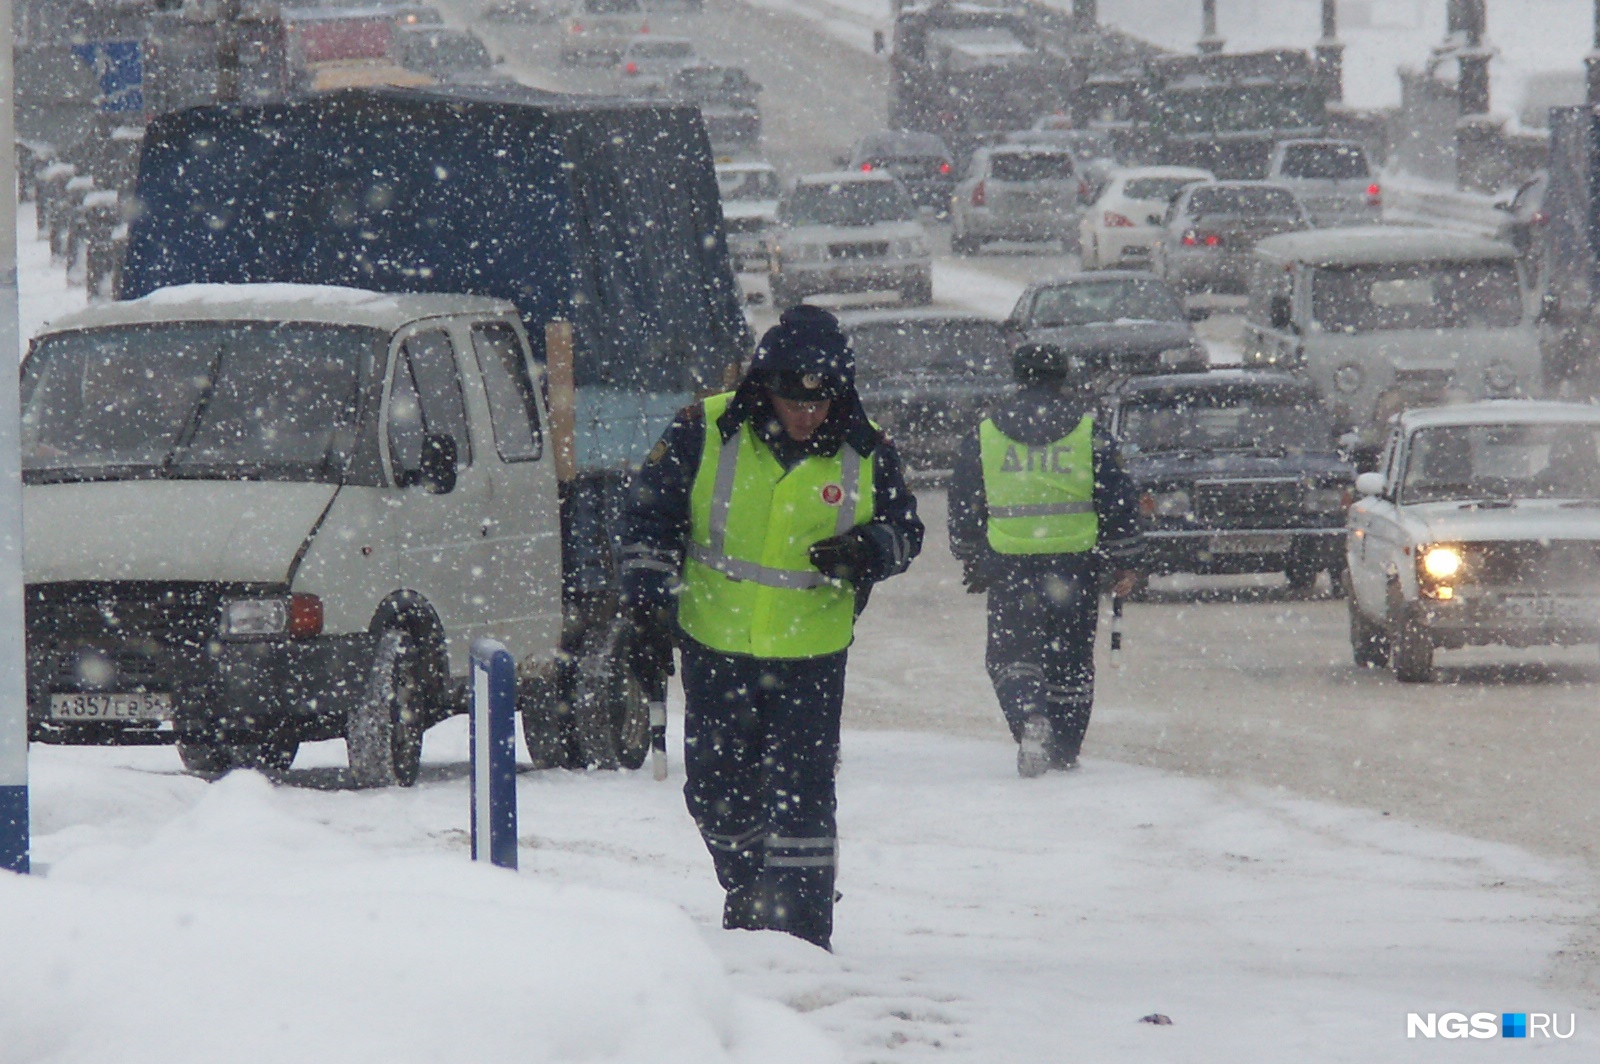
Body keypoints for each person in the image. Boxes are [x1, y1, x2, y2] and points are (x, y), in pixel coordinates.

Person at [620, 304, 924, 950]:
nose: (806, 414)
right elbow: (648, 516)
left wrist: (868, 551)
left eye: (819, 401)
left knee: (803, 808)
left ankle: (804, 940)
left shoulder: (866, 449)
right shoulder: (704, 430)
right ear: (765, 386)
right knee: (715, 796)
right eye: (792, 399)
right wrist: (647, 599)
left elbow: (907, 532)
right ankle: (754, 889)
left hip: (811, 657)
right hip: (716, 648)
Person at [947, 343, 1142, 778]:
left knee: (1012, 654)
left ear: (1018, 376)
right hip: (1076, 564)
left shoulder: (986, 433)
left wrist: (969, 554)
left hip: (1011, 562)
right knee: (1071, 659)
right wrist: (1125, 558)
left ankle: (1029, 718)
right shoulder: (1089, 432)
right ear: (1063, 376)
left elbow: (964, 500)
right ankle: (1067, 746)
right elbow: (1117, 496)